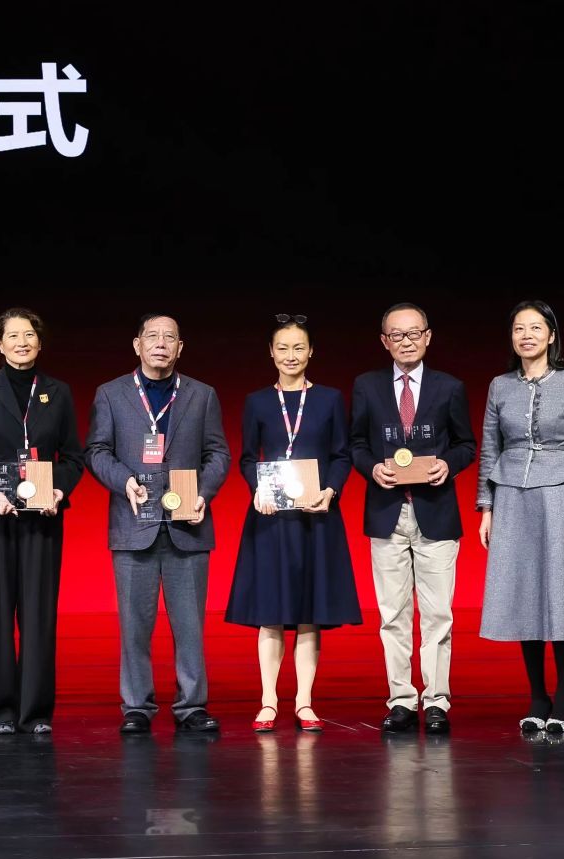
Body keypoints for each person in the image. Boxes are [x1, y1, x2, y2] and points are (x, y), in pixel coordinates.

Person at [85, 313, 231, 734]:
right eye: (153, 336)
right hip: (134, 523)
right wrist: (124, 481)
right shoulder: (111, 394)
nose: (161, 344)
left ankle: (192, 705)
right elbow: (96, 450)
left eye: (170, 338)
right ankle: (136, 706)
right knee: (134, 625)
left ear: (180, 347)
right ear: (137, 344)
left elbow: (218, 453)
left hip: (188, 524)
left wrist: (203, 493)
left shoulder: (202, 395)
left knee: (190, 626)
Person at [478, 299, 564, 738]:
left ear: (551, 335)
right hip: (512, 495)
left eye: (536, 328)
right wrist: (486, 506)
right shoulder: (499, 386)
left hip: (559, 493)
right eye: (519, 328)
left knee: (560, 593)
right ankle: (537, 696)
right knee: (524, 594)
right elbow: (490, 449)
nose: (527, 336)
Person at [0, 308, 85, 735]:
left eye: (29, 335)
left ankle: (35, 712)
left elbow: (74, 457)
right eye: (13, 336)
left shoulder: (58, 392)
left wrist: (59, 490)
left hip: (42, 516)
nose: (22, 343)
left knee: (39, 614)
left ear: (40, 343)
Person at [224, 315, 360, 732]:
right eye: (282, 348)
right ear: (271, 352)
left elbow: (341, 454)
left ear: (311, 351)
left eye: (298, 347)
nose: (290, 355)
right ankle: (268, 700)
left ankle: (304, 701)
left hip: (316, 517)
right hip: (271, 518)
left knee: (308, 613)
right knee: (270, 610)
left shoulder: (330, 399)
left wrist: (330, 491)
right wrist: (257, 489)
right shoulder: (257, 401)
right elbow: (248, 457)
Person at [349, 303, 476, 736]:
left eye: (414, 333)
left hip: (436, 512)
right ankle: (401, 700)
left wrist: (448, 465)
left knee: (438, 614)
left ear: (428, 337)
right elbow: (356, 444)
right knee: (393, 615)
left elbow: (466, 444)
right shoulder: (367, 386)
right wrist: (371, 468)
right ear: (384, 341)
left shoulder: (449, 387)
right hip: (387, 513)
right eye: (397, 335)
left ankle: (436, 700)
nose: (406, 342)